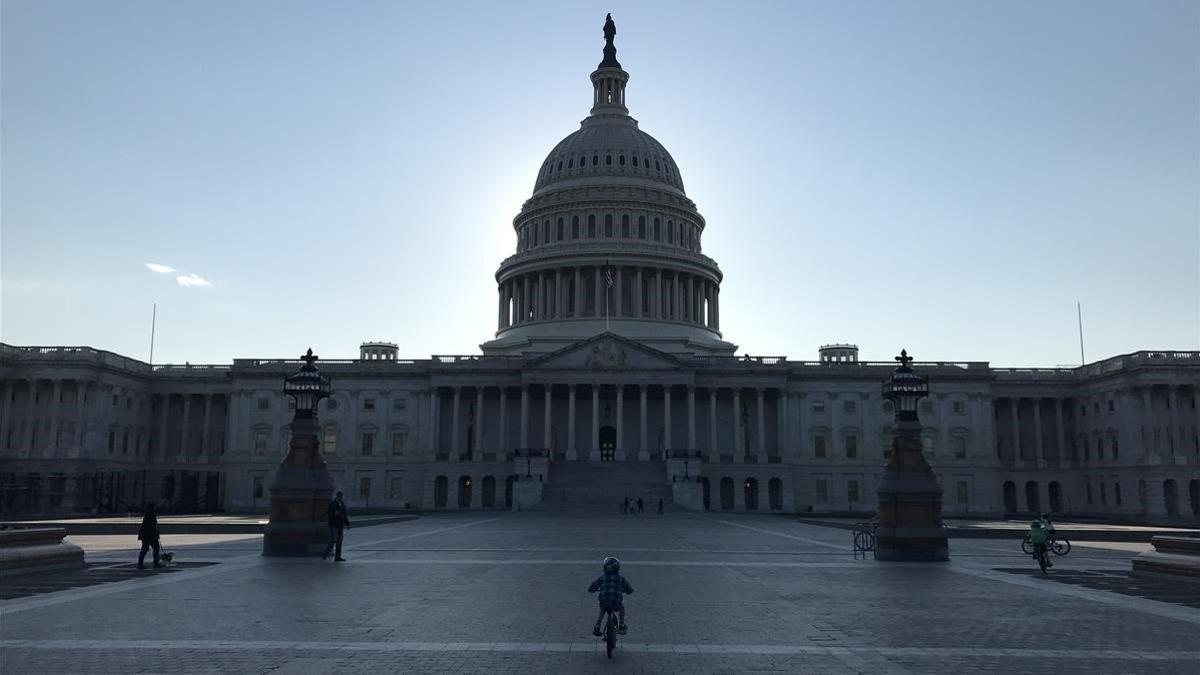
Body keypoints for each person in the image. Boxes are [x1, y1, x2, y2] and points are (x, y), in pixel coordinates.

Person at [588, 556, 633, 637]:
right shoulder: (620, 578)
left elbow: (593, 586)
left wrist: (592, 590)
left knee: (602, 610)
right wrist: (629, 591)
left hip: (604, 602)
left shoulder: (602, 578)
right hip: (616, 603)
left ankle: (598, 625)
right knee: (622, 606)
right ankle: (621, 624)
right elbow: (628, 588)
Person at [323, 491, 351, 561]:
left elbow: (344, 515)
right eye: (339, 497)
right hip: (334, 525)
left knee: (339, 542)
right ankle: (325, 553)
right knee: (333, 540)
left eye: (341, 497)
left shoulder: (342, 504)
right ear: (337, 497)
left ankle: (337, 557)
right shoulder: (333, 504)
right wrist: (335, 512)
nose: (340, 498)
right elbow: (330, 513)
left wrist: (347, 524)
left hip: (340, 525)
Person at [137, 503, 163, 569]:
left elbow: (154, 526)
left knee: (155, 547)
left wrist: (156, 534)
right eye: (155, 507)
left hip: (150, 535)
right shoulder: (149, 515)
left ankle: (155, 563)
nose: (156, 508)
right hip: (147, 535)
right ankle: (141, 564)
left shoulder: (151, 514)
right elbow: (150, 527)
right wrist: (156, 534)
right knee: (145, 548)